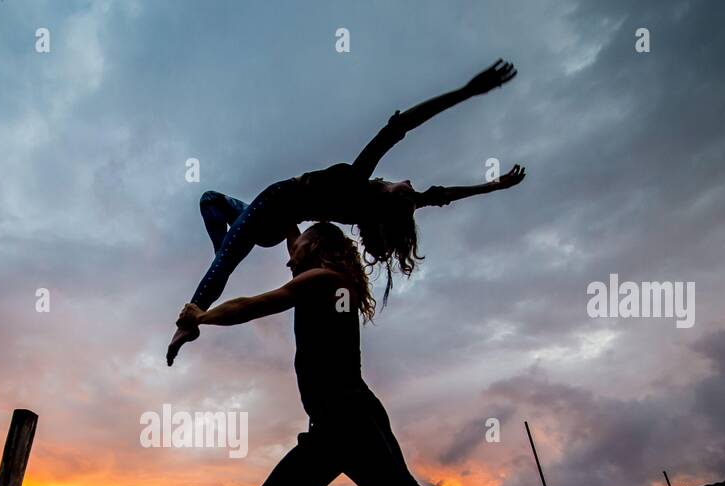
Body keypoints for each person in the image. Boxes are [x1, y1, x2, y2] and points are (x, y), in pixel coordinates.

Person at [170, 221, 556, 486]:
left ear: (316, 246)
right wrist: (285, 222)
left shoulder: (323, 279)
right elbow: (293, 242)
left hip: (345, 422)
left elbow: (255, 305)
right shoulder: (328, 279)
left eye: (296, 247)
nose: (288, 255)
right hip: (345, 421)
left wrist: (202, 315)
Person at [168, 59, 524, 367]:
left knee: (224, 247)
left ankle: (190, 319)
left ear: (390, 200)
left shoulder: (359, 183)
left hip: (273, 206)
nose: (410, 183)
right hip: (283, 223)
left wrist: (467, 91)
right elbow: (445, 195)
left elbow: (402, 127)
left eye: (407, 190)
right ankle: (224, 249)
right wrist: (492, 186)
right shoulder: (388, 203)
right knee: (211, 202)